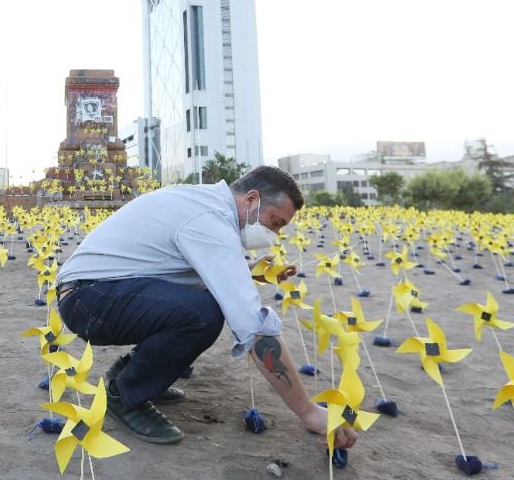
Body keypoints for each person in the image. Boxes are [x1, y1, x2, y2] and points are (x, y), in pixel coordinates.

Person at [55, 165, 358, 450]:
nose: (274, 235)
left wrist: (249, 271)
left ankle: (131, 373)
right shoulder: (209, 220)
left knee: (202, 305)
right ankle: (126, 395)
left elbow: (176, 265)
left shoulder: (205, 203)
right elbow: (252, 325)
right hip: (88, 301)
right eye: (275, 223)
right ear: (252, 199)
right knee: (203, 314)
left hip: (96, 291)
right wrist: (309, 412)